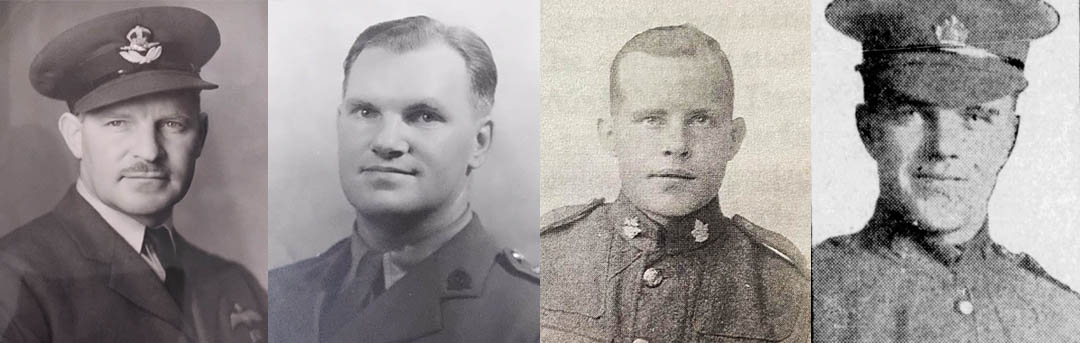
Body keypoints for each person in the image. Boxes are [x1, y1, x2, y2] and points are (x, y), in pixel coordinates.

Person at [813, 0, 1080, 341]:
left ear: (1011, 137)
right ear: (868, 129)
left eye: (975, 116)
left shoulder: (1061, 318)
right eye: (912, 112)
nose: (943, 147)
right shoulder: (811, 297)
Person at [0, 6, 267, 343]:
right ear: (74, 136)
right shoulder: (17, 280)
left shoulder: (235, 285)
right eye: (118, 123)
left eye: (172, 124)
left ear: (200, 135)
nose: (149, 151)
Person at [267, 16, 539, 343]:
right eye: (366, 112)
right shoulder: (273, 296)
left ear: (478, 143)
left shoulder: (532, 318)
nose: (386, 141)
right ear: (340, 123)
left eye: (424, 116)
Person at [540, 24, 809, 343]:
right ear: (610, 136)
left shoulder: (783, 286)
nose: (677, 144)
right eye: (651, 119)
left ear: (733, 139)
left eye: (700, 119)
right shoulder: (546, 256)